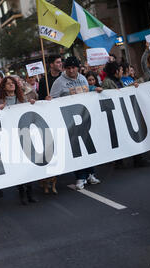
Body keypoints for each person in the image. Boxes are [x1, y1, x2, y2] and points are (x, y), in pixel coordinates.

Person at [50, 56, 102, 190]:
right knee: (76, 149)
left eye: (73, 67)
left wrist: (93, 89)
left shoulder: (82, 78)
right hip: (69, 121)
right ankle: (80, 176)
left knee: (88, 146)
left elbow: (86, 92)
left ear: (78, 68)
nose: (71, 70)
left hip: (84, 118)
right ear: (65, 69)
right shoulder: (59, 82)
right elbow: (53, 100)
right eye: (68, 68)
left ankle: (91, 173)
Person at [0, 76, 38, 205]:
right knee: (18, 165)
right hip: (11, 137)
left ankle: (30, 192)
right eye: (8, 84)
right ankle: (21, 192)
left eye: (12, 83)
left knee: (28, 163)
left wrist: (33, 104)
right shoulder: (0, 102)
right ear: (4, 87)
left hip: (24, 134)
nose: (11, 85)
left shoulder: (21, 99)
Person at [102, 61, 150, 169]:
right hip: (116, 114)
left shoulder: (117, 80)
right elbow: (109, 96)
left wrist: (133, 85)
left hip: (123, 112)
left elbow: (121, 91)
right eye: (120, 70)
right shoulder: (107, 83)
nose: (122, 71)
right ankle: (125, 160)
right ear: (115, 71)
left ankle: (137, 158)